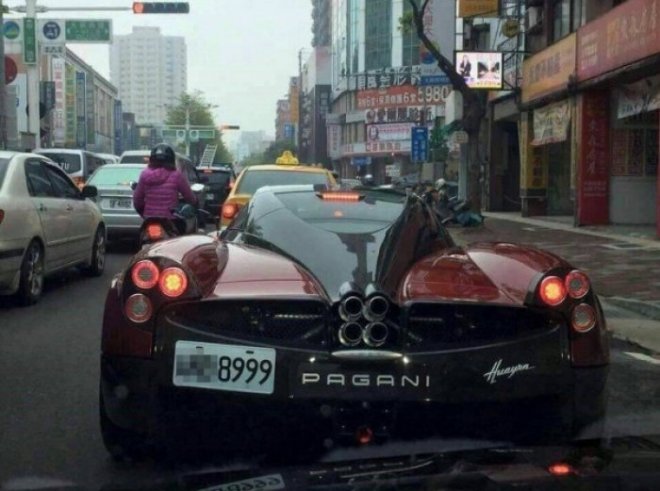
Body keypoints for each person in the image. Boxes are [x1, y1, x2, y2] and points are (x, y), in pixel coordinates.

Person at [133, 143, 197, 219]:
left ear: (152, 159)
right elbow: (189, 197)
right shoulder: (176, 175)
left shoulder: (144, 174)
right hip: (170, 219)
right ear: (171, 160)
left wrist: (143, 212)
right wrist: (194, 204)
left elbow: (137, 199)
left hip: (149, 218)